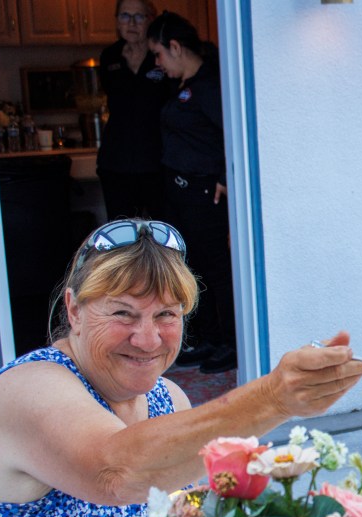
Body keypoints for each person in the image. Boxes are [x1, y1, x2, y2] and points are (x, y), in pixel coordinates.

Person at [0, 218, 362, 517]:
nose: (148, 340)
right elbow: (117, 474)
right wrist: (273, 399)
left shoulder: (168, 399)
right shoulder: (26, 388)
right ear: (75, 310)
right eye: (123, 313)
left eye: (166, 314)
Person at [147, 11, 235, 374]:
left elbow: (233, 133)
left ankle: (231, 341)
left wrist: (224, 177)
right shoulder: (182, 86)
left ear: (176, 47)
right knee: (193, 269)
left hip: (203, 194)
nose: (157, 63)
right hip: (180, 192)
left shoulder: (209, 87)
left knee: (217, 270)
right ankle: (211, 337)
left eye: (159, 54)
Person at [97, 0, 174, 221]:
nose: (131, 23)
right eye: (124, 16)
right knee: (122, 234)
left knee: (162, 230)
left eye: (139, 16)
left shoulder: (160, 56)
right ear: (117, 21)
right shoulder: (110, 56)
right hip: (116, 163)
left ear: (151, 19)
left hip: (156, 164)